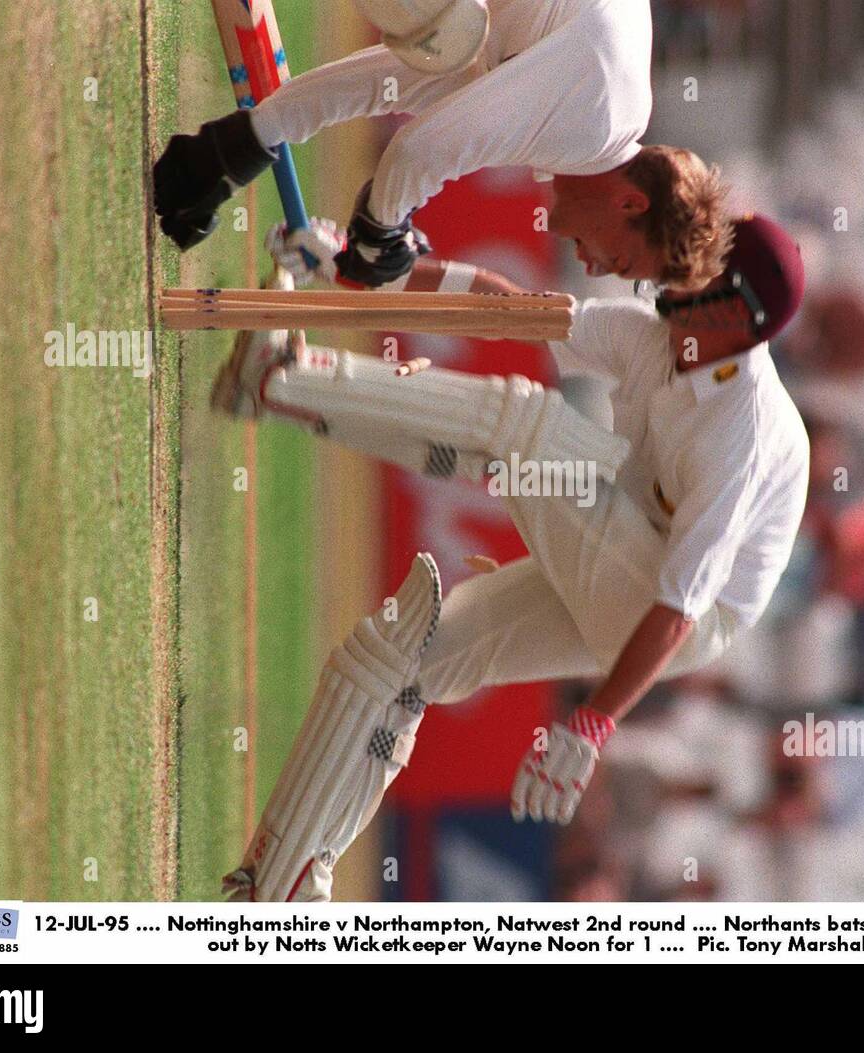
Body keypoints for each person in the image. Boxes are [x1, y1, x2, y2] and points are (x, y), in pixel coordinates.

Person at [217, 213, 809, 901]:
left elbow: (679, 607)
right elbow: (514, 311)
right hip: (631, 546)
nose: (676, 269)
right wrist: (359, 264)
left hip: (679, 613)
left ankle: (283, 378)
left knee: (527, 426)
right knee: (407, 660)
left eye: (702, 266)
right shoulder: (658, 338)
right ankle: (281, 881)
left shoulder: (742, 431)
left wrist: (592, 723)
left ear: (735, 311)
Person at [154, 0, 730, 292]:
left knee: (442, 37)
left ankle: (196, 167)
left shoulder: (598, 108)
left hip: (464, 30)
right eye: (620, 262)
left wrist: (228, 154)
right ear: (631, 204)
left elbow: (394, 85)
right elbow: (421, 152)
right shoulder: (588, 126)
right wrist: (379, 235)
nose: (592, 267)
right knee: (439, 27)